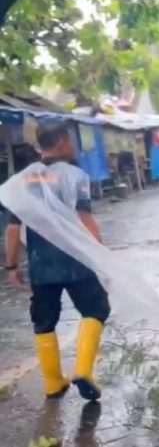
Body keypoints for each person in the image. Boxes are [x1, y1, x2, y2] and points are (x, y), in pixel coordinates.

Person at [4, 122, 110, 401]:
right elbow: (85, 219)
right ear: (62, 141)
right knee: (96, 309)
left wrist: (11, 265)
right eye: (71, 140)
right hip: (76, 261)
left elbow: (13, 229)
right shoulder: (76, 176)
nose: (73, 146)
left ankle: (53, 384)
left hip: (41, 266)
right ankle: (83, 370)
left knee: (44, 321)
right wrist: (102, 254)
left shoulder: (23, 180)